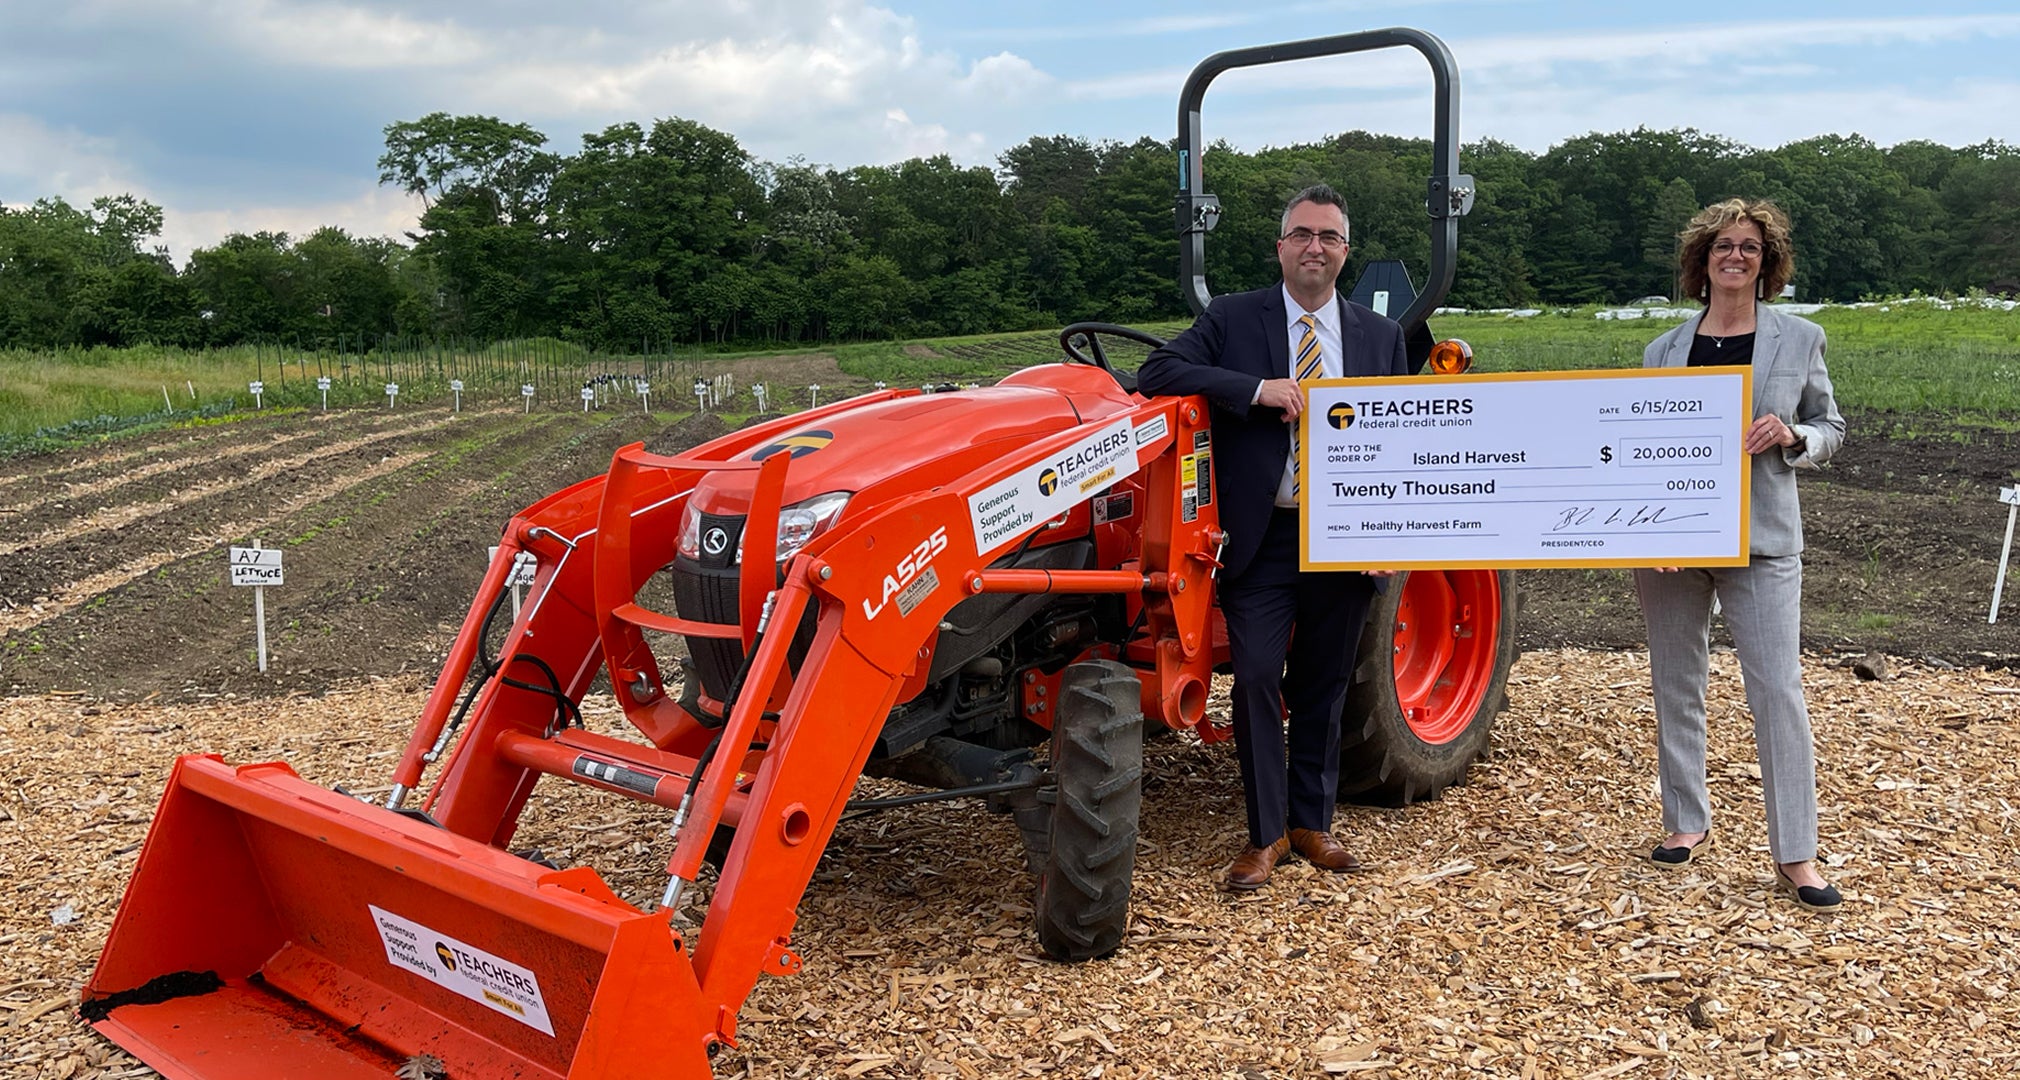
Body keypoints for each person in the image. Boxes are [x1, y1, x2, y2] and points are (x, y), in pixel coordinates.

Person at [1138, 183, 1408, 890]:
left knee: (1322, 681)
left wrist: (1394, 537)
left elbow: (1406, 440)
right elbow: (1156, 371)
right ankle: (1264, 836)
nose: (1314, 247)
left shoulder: (1381, 337)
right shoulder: (1232, 319)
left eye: (1328, 237)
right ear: (1280, 247)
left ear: (1346, 253)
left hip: (1346, 535)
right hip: (1264, 536)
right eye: (1301, 235)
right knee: (1257, 674)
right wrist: (1256, 389)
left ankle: (1311, 825)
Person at [1634, 198, 1846, 911]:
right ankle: (1685, 821)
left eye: (1749, 247)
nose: (1735, 256)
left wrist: (1792, 436)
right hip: (1674, 546)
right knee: (1676, 682)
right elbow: (1643, 450)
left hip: (1763, 540)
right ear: (1703, 260)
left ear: (1767, 261)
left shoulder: (1800, 338)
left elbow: (1830, 426)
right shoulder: (1663, 350)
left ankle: (1796, 852)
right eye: (1723, 245)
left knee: (1777, 689)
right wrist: (1645, 532)